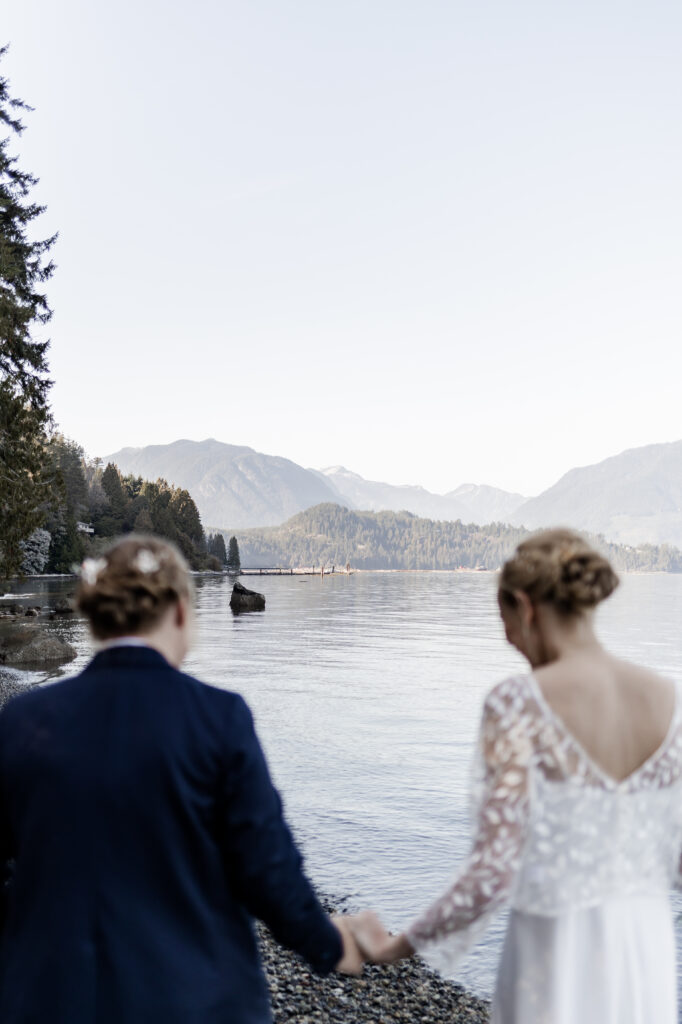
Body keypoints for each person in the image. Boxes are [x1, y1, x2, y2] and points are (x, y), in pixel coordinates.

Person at [0, 535, 361, 1024]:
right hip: (198, 1001)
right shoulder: (219, 719)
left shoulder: (21, 721)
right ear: (180, 613)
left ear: (94, 616)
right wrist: (331, 944)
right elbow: (266, 870)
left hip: (52, 1000)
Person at [349, 529, 682, 1024]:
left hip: (555, 959)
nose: (511, 643)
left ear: (525, 608)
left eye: (506, 625)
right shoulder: (671, 702)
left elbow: (492, 873)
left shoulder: (518, 702)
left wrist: (394, 946)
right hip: (647, 960)